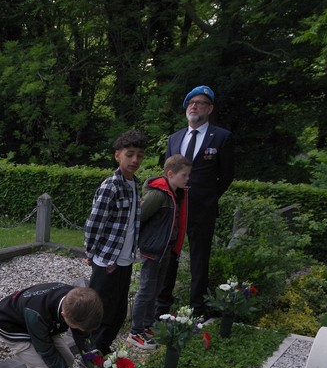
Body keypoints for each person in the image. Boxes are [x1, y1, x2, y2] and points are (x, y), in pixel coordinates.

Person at [164, 85, 234, 317]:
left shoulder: (221, 137)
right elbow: (168, 173)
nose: (193, 106)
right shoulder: (174, 138)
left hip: (202, 210)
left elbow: (226, 175)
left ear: (209, 108)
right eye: (190, 103)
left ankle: (197, 309)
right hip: (174, 208)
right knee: (169, 256)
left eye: (200, 102)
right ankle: (162, 305)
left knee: (199, 260)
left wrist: (208, 196)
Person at [83, 129, 146, 354]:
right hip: (107, 258)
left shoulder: (134, 184)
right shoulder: (111, 186)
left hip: (125, 259)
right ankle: (90, 352)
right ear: (117, 155)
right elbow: (95, 222)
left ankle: (103, 347)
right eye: (130, 154)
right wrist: (90, 252)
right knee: (100, 307)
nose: (135, 160)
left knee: (118, 309)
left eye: (139, 155)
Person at [129, 154, 190, 348]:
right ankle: (135, 332)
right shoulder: (158, 195)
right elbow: (138, 218)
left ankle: (147, 325)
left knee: (155, 290)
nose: (187, 179)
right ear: (171, 174)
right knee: (146, 290)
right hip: (153, 249)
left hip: (166, 248)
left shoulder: (175, 194)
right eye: (184, 175)